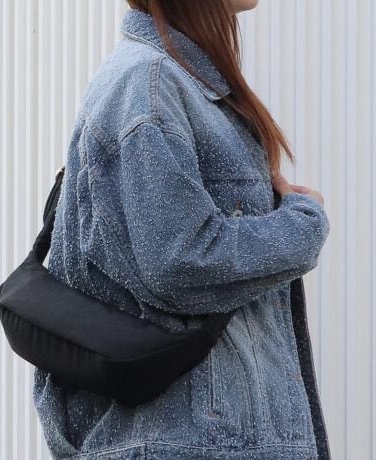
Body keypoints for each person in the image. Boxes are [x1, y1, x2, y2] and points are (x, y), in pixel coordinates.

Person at [33, 1, 332, 459]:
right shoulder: (146, 88)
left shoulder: (178, 84)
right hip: (189, 443)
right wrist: (303, 224)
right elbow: (180, 259)